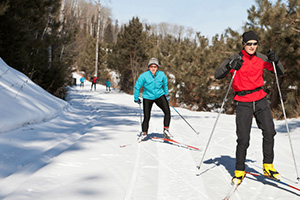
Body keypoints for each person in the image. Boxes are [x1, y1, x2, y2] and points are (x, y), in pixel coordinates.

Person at [214, 30, 284, 185]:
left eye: (255, 44)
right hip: (243, 101)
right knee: (243, 138)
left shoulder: (261, 58)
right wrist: (230, 67)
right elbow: (217, 74)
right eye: (249, 44)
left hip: (260, 99)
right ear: (243, 44)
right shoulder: (235, 59)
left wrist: (276, 60)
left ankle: (268, 166)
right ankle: (239, 170)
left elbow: (280, 72)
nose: (252, 46)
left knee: (270, 132)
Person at [134, 57, 171, 141]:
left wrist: (167, 94)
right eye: (151, 66)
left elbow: (165, 85)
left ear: (157, 67)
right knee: (147, 116)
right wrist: (136, 98)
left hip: (159, 96)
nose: (153, 68)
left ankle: (166, 130)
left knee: (167, 112)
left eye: (155, 66)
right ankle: (144, 133)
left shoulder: (161, 74)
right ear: (149, 67)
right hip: (148, 97)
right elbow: (137, 86)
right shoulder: (144, 76)